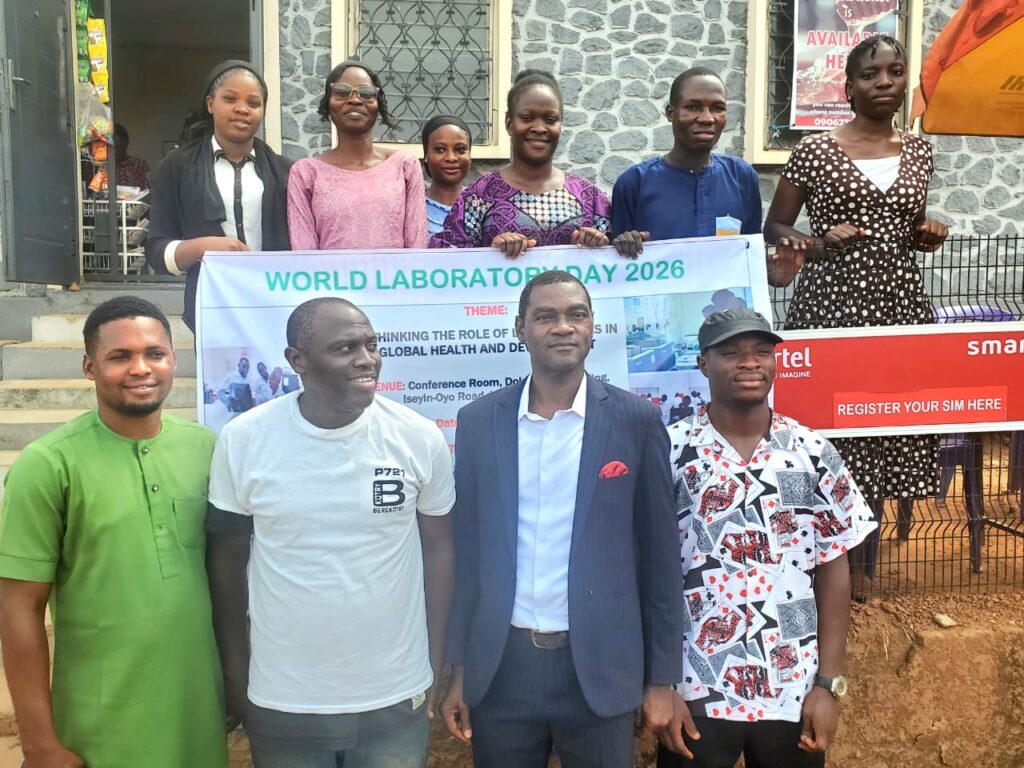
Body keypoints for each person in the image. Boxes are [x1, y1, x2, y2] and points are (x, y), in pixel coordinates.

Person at [441, 270, 683, 766]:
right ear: (520, 328)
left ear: (593, 326)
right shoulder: (479, 421)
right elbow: (468, 553)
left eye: (577, 314)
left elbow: (661, 558)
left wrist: (662, 679)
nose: (563, 327)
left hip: (601, 670)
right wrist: (461, 668)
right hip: (502, 670)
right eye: (545, 316)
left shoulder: (635, 420)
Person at [206, 297, 455, 767]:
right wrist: (236, 676)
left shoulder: (418, 437)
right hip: (283, 697)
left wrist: (434, 660)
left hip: (395, 693)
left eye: (371, 345)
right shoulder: (244, 439)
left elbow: (439, 552)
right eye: (345, 348)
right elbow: (225, 563)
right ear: (296, 360)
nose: (367, 359)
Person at [0, 296, 227, 768]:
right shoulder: (48, 465)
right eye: (120, 356)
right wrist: (39, 745)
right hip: (98, 727)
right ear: (90, 367)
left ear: (174, 360)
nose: (140, 368)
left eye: (154, 353)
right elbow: (18, 608)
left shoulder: (209, 451)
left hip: (198, 718)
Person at [763, 35, 949, 585]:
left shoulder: (919, 151)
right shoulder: (815, 150)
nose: (884, 82)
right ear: (848, 88)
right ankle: (814, 557)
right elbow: (775, 226)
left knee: (885, 419)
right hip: (830, 305)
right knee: (827, 423)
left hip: (898, 304)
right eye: (870, 74)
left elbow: (906, 226)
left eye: (895, 71)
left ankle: (864, 564)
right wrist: (818, 242)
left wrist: (925, 232)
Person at [659, 308, 876, 768]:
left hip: (791, 686)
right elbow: (647, 571)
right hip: (696, 686)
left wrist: (829, 685)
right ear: (702, 364)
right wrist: (660, 684)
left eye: (762, 351)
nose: (749, 363)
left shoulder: (811, 452)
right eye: (731, 353)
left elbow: (834, 568)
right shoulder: (669, 450)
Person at [145, 60, 292, 332]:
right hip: (211, 310)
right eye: (230, 99)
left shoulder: (286, 172)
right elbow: (156, 251)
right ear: (210, 103)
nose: (242, 109)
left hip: (276, 309)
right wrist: (202, 247)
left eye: (253, 103)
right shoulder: (176, 168)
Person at [431, 71, 611, 258]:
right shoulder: (477, 197)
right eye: (527, 118)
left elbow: (617, 265)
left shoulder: (591, 198)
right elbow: (449, 263)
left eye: (550, 120)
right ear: (509, 123)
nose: (539, 128)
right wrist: (490, 254)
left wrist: (596, 246)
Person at [610, 67, 762, 258]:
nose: (707, 118)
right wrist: (626, 243)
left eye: (717, 108)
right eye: (693, 107)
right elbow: (618, 261)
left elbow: (752, 258)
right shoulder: (634, 184)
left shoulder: (742, 177)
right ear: (671, 113)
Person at [288, 63, 428, 250]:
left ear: (378, 105)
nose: (354, 100)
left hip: (395, 271)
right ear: (328, 103)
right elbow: (304, 254)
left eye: (367, 93)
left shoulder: (404, 166)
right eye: (342, 92)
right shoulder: (305, 173)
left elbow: (417, 249)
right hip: (330, 271)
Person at [422, 115, 473, 236]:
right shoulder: (412, 205)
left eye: (460, 150)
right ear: (426, 155)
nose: (451, 158)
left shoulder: (483, 205)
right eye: (440, 149)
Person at [114, 122, 151, 190]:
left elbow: (148, 191)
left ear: (126, 143)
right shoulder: (100, 166)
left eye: (118, 146)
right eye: (111, 147)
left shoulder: (140, 165)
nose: (115, 150)